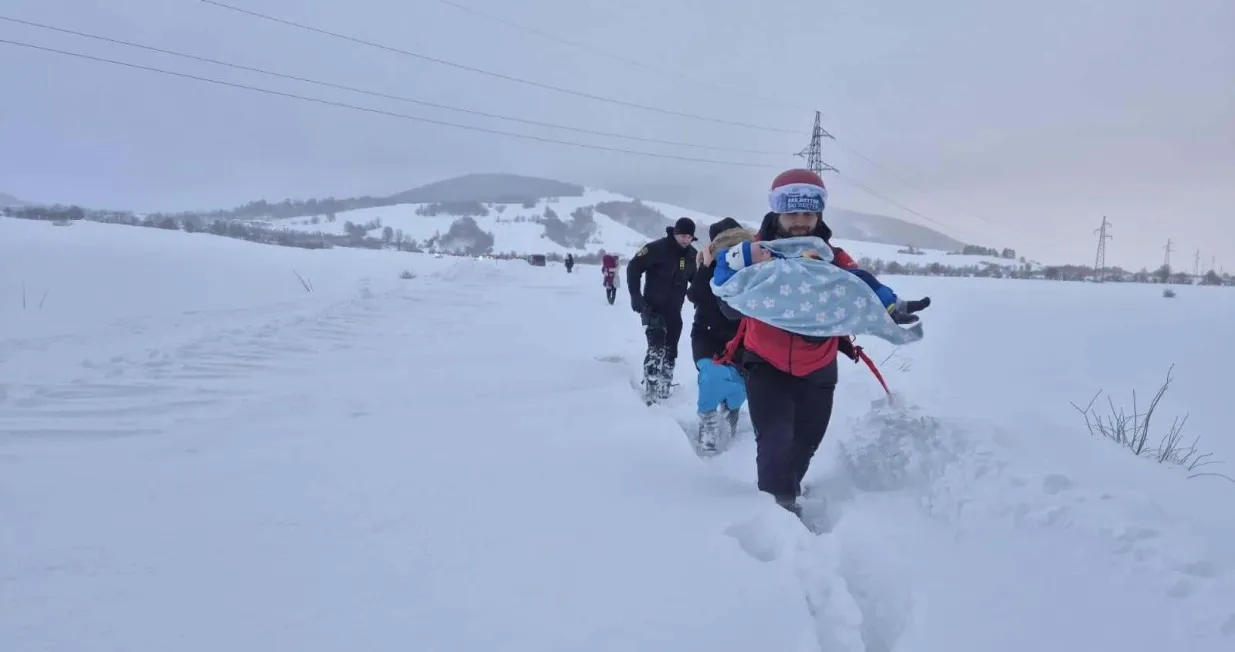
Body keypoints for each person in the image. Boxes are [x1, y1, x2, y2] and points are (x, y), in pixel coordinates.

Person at [713, 168, 929, 514]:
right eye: (792, 213)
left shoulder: (831, 258)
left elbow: (862, 283)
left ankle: (790, 489)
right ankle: (777, 511)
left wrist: (891, 305)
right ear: (777, 212)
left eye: (808, 213)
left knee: (806, 442)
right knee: (775, 442)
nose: (800, 221)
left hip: (818, 367)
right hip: (765, 362)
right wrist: (734, 298)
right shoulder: (755, 253)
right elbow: (727, 300)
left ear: (819, 214)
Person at [687, 217, 747, 451]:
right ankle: (708, 420)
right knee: (711, 375)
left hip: (741, 337)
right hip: (707, 334)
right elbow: (695, 296)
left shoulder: (751, 266)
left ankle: (731, 410)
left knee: (741, 383)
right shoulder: (707, 265)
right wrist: (706, 266)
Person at [627, 217, 698, 403]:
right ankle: (650, 391)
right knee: (656, 348)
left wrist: (699, 299)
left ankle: (664, 387)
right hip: (653, 309)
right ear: (675, 233)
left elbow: (697, 282)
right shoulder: (656, 248)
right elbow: (633, 267)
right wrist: (635, 294)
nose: (685, 240)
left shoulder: (692, 256)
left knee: (671, 351)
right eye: (682, 235)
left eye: (689, 237)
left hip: (674, 311)